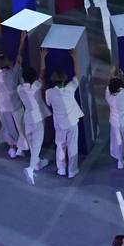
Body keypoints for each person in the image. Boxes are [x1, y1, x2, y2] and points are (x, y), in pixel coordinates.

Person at [44, 48, 84, 178]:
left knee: (60, 145)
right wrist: (75, 57)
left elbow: (49, 104)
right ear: (64, 79)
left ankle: (61, 169)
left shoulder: (49, 93)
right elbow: (78, 76)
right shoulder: (70, 89)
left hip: (59, 124)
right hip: (72, 122)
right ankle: (72, 171)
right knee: (73, 146)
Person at [0, 32, 29, 158]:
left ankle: (12, 147)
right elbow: (19, 57)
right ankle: (21, 148)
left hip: (2, 106)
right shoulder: (14, 72)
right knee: (20, 127)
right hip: (15, 105)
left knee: (8, 127)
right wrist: (22, 41)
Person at [18, 59, 52, 184]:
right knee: (37, 145)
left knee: (33, 144)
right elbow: (42, 73)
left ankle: (37, 163)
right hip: (37, 118)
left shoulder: (19, 89)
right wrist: (43, 59)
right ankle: (30, 168)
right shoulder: (36, 87)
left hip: (27, 118)